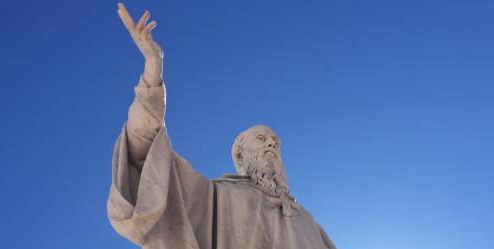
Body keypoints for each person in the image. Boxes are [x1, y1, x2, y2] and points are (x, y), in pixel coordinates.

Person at [106, 3, 336, 249]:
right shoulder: (214, 198)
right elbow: (146, 153)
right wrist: (153, 70)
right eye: (261, 138)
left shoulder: (309, 222)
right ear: (239, 151)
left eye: (275, 142)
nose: (271, 143)